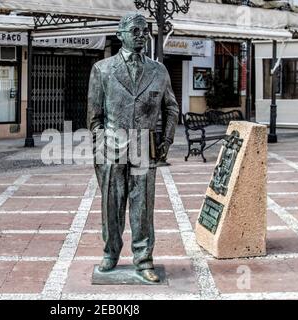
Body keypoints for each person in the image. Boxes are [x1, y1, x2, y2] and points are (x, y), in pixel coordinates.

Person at [87, 13, 179, 282]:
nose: (141, 34)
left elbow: (171, 108)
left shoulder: (158, 70)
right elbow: (94, 118)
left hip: (145, 149)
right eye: (135, 30)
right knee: (111, 207)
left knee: (142, 208)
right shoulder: (103, 69)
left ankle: (143, 260)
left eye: (145, 30)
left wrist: (167, 140)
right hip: (111, 149)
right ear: (121, 34)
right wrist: (102, 144)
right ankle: (110, 253)